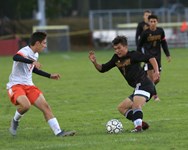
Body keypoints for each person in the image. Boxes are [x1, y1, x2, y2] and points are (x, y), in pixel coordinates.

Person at [7, 31, 76, 137]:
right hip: (16, 85)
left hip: (29, 85)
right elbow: (15, 57)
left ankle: (58, 132)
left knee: (46, 107)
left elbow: (32, 69)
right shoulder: (25, 51)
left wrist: (49, 75)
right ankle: (15, 121)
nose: (45, 45)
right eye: (44, 43)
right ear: (37, 43)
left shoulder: (36, 54)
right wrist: (31, 61)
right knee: (25, 106)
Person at [89, 35, 160, 132]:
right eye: (115, 49)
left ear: (125, 47)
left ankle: (138, 128)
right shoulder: (116, 59)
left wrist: (156, 71)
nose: (117, 51)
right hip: (138, 88)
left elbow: (151, 58)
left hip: (145, 85)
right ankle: (140, 123)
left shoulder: (133, 55)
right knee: (122, 108)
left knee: (135, 106)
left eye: (119, 48)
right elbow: (103, 69)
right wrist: (95, 62)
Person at [137, 14, 171, 100]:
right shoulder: (145, 33)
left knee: (157, 79)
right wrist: (141, 57)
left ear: (157, 22)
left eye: (154, 21)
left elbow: (164, 43)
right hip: (148, 59)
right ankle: (155, 96)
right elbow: (139, 46)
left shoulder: (160, 31)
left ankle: (145, 88)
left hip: (158, 58)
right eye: (151, 21)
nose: (153, 23)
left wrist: (167, 54)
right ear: (148, 22)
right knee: (152, 78)